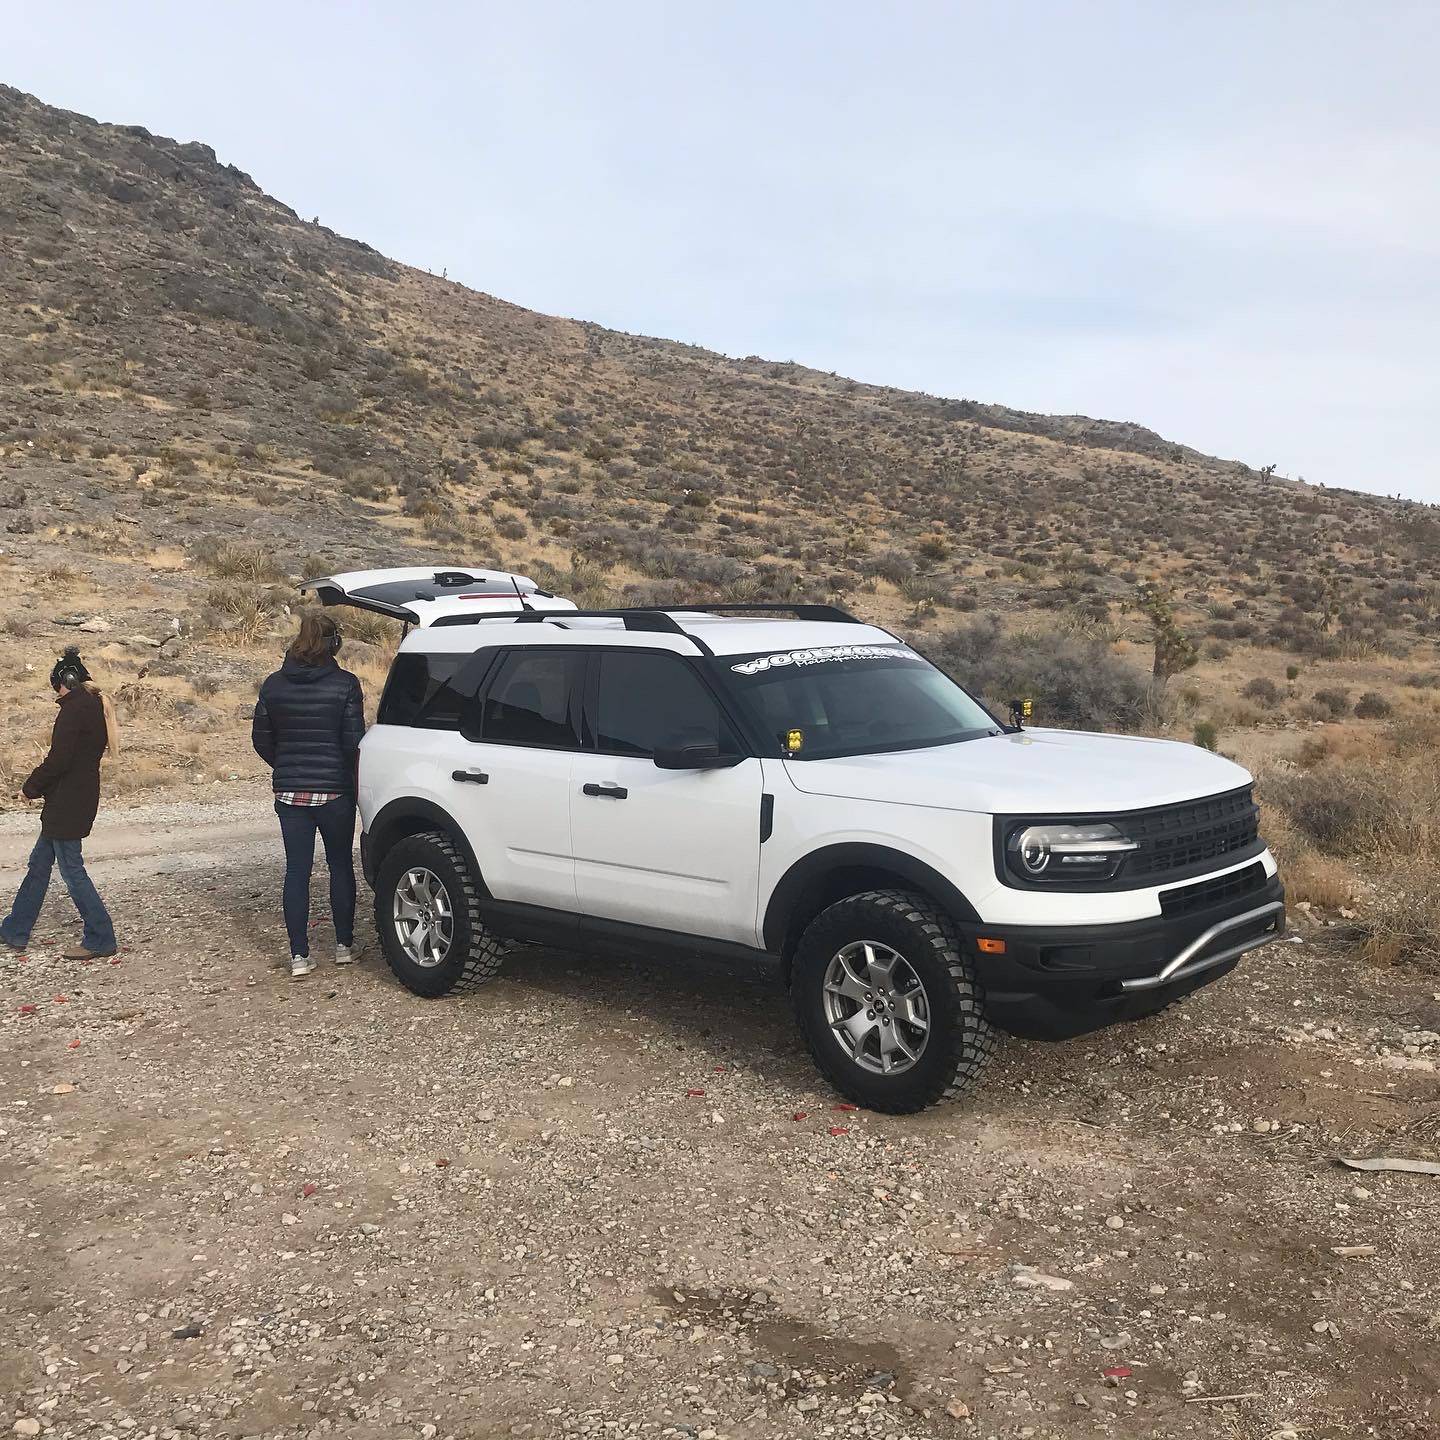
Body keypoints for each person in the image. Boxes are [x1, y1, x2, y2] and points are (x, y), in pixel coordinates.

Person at [252, 609, 366, 979]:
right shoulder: (346, 684)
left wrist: (285, 764)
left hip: (290, 793)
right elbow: (353, 742)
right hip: (335, 791)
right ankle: (344, 946)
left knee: (296, 872)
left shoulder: (273, 684)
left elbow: (261, 738)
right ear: (335, 643)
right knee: (339, 866)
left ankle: (299, 955)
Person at [1, 647, 119, 960]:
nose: (57, 690)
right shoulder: (91, 703)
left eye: (58, 684)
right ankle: (15, 929)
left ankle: (101, 936)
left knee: (72, 870)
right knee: (39, 864)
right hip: (73, 799)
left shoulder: (74, 708)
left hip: (68, 802)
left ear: (66, 680)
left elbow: (59, 760)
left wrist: (30, 787)